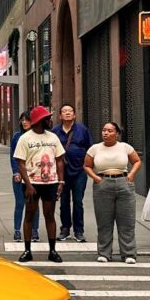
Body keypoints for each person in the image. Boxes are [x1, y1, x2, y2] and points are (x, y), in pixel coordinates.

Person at [14, 106, 66, 264]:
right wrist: (28, 185)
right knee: (29, 214)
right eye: (46, 119)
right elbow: (20, 163)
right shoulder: (25, 138)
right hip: (32, 183)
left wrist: (61, 181)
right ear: (39, 121)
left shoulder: (53, 137)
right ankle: (27, 250)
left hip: (50, 182)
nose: (49, 121)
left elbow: (59, 160)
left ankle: (52, 250)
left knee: (49, 215)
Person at [85, 122, 141, 264]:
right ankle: (104, 253)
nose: (106, 133)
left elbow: (136, 161)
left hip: (124, 183)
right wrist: (96, 178)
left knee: (126, 221)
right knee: (104, 221)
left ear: (116, 133)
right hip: (103, 184)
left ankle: (128, 254)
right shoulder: (95, 148)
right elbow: (87, 166)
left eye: (110, 131)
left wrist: (132, 175)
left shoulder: (124, 147)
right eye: (104, 130)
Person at [52, 104, 93, 243]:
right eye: (64, 111)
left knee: (77, 201)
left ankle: (79, 230)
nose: (67, 113)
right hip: (61, 172)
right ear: (60, 116)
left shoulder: (82, 130)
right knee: (63, 201)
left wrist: (88, 166)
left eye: (70, 111)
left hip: (79, 171)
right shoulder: (55, 131)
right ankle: (65, 229)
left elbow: (90, 149)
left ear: (74, 115)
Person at [10, 112, 40, 242]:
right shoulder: (17, 136)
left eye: (27, 120)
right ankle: (17, 231)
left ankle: (34, 231)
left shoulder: (39, 137)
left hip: (35, 175)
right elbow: (13, 156)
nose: (24, 122)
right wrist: (16, 172)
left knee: (34, 204)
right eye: (22, 120)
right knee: (20, 203)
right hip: (20, 175)